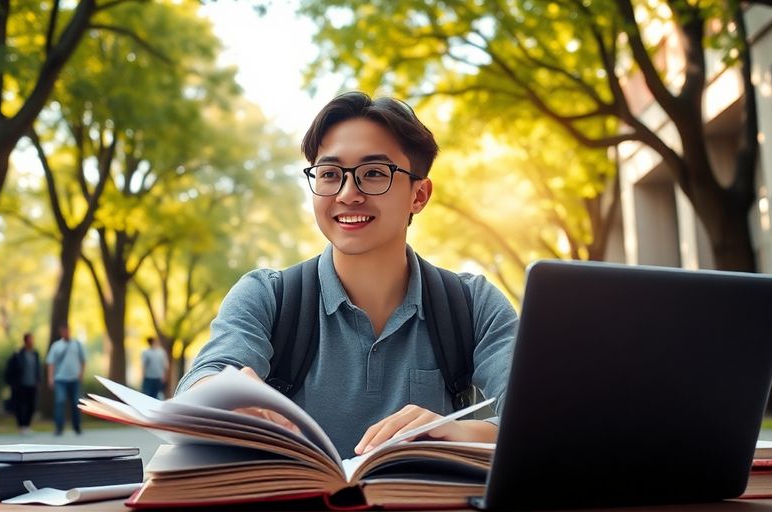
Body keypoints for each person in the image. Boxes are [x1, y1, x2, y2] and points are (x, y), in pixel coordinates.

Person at [175, 92, 518, 458]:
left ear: (419, 195)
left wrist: (458, 431)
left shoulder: (473, 305)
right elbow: (200, 384)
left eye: (373, 173)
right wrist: (221, 395)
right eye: (329, 174)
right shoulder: (266, 295)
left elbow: (539, 418)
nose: (348, 193)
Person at [46, 325, 86, 435]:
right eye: (64, 331)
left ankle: (77, 426)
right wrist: (50, 377)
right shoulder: (56, 346)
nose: (66, 333)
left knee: (75, 402)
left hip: (74, 379)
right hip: (60, 379)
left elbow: (83, 360)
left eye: (67, 331)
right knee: (60, 401)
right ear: (61, 333)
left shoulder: (77, 344)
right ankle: (59, 427)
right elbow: (51, 363)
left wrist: (81, 374)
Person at [4, 332, 42, 435]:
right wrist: (12, 383)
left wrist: (38, 381)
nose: (32, 342)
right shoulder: (18, 354)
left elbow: (38, 369)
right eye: (30, 339)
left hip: (32, 385)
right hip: (21, 385)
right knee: (20, 406)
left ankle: (27, 425)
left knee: (31, 406)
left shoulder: (35, 354)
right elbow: (11, 369)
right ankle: (20, 426)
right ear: (25, 341)